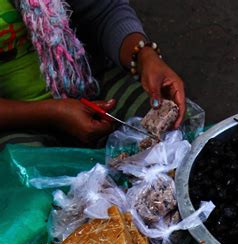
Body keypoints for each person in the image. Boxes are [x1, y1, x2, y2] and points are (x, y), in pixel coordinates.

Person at [0, 0, 186, 148]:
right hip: (14, 118)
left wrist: (144, 56)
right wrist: (53, 112)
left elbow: (104, 13)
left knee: (177, 132)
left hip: (88, 81)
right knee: (31, 190)